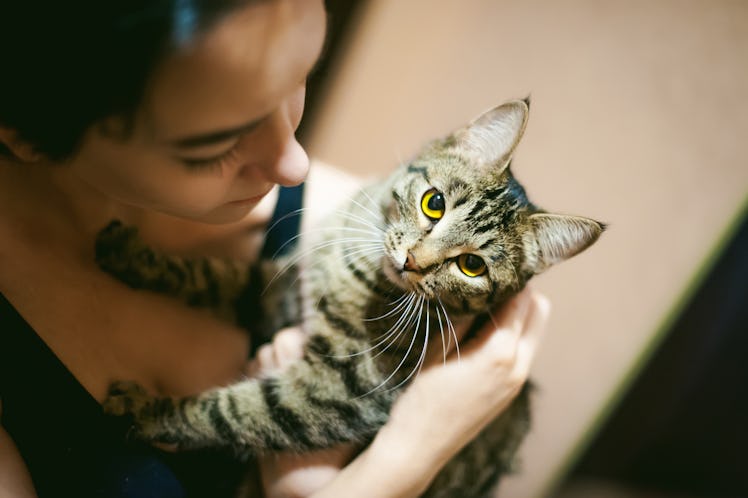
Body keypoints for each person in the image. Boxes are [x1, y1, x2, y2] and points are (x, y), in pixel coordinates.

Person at [0, 1, 551, 497]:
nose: (296, 164)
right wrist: (401, 462)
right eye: (213, 146)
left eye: (300, 77)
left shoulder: (340, 207)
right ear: (22, 128)